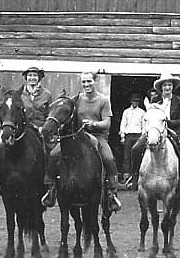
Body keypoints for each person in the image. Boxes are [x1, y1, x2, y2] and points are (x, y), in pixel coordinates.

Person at [41, 71, 122, 212]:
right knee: (54, 154)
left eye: (89, 81)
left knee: (109, 158)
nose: (86, 84)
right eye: (84, 82)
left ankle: (111, 192)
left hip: (97, 136)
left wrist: (94, 124)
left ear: (94, 82)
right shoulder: (77, 99)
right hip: (77, 136)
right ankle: (51, 189)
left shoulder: (103, 100)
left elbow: (107, 123)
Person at [130, 72, 180, 192]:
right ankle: (134, 176)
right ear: (161, 87)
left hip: (174, 131)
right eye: (165, 85)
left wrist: (167, 122)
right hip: (155, 131)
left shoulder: (178, 101)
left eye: (169, 85)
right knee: (136, 148)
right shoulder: (155, 100)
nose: (167, 87)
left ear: (173, 87)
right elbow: (149, 115)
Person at [119, 92, 145, 188]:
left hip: (138, 136)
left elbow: (144, 126)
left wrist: (142, 137)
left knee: (138, 156)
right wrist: (122, 136)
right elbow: (123, 124)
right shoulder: (126, 112)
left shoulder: (142, 112)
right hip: (129, 136)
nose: (135, 103)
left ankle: (136, 176)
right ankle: (126, 176)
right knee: (126, 156)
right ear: (131, 101)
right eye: (134, 101)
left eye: (137, 101)